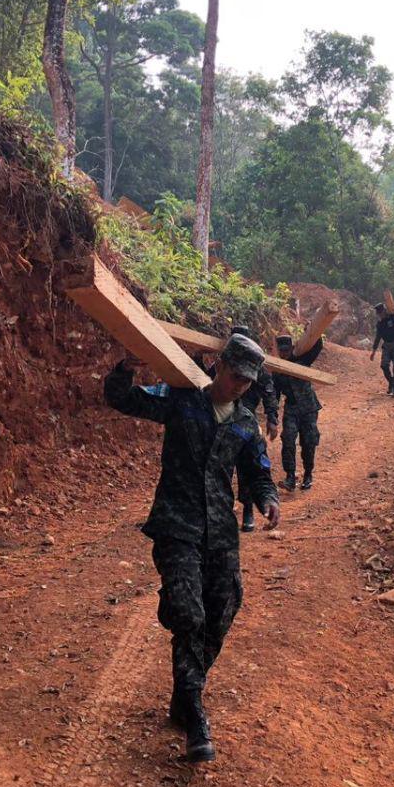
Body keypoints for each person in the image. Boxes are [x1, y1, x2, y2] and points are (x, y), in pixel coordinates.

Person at [103, 334, 279, 763]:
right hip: (177, 525)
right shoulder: (181, 399)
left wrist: (268, 498)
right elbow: (123, 400)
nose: (240, 386)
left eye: (248, 381)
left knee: (223, 609)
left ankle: (184, 694)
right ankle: (195, 714)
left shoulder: (245, 423)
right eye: (236, 376)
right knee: (188, 613)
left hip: (220, 532)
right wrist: (125, 368)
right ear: (220, 366)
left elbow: (258, 472)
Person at [230, 326, 279, 531]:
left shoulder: (258, 369)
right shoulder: (224, 363)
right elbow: (200, 379)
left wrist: (272, 418)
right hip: (219, 414)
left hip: (244, 421)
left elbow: (269, 392)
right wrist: (197, 356)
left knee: (247, 465)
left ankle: (248, 508)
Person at [272, 334, 324, 492]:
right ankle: (290, 477)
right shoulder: (277, 370)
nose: (284, 354)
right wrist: (272, 416)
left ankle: (308, 475)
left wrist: (314, 333)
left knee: (308, 442)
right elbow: (275, 395)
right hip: (292, 409)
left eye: (287, 350)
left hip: (309, 408)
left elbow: (317, 347)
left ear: (292, 348)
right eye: (282, 351)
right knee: (288, 439)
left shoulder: (303, 360)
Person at [371, 302, 394, 397]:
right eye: (378, 313)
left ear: (384, 311)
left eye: (381, 313)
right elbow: (378, 337)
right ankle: (392, 383)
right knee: (384, 366)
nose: (380, 315)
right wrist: (373, 351)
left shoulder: (393, 317)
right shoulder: (380, 324)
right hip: (386, 346)